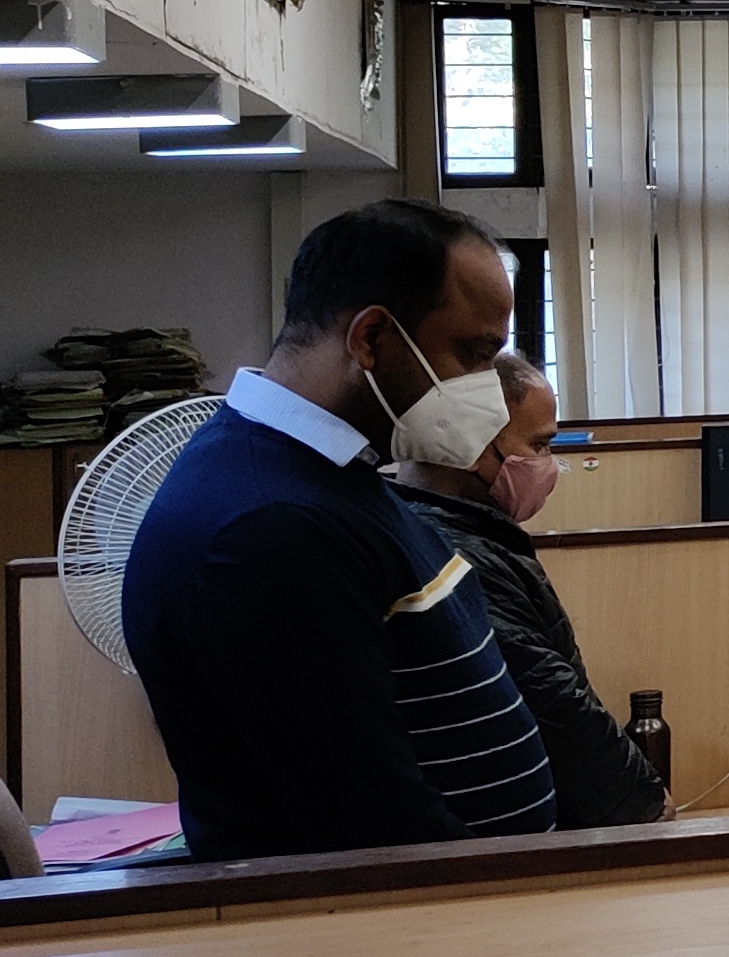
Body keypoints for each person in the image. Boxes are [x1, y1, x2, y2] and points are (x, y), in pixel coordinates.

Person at [123, 198, 557, 859]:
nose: (487, 393)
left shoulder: (328, 474)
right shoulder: (269, 528)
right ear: (371, 339)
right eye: (473, 356)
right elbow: (369, 826)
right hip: (393, 913)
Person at [390, 354, 667, 828]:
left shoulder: (442, 529)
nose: (548, 465)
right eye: (539, 445)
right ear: (473, 446)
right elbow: (551, 699)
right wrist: (644, 804)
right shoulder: (455, 552)